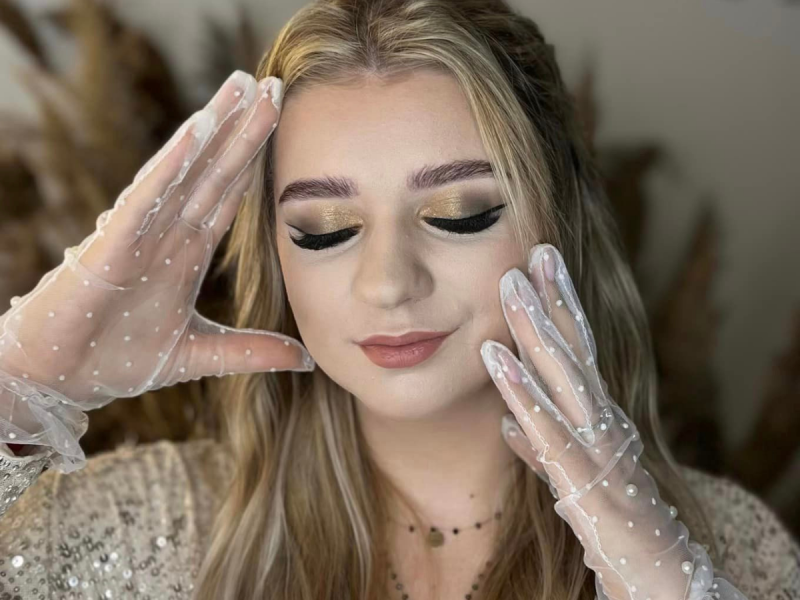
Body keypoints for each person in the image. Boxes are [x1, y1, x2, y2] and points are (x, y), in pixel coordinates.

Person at [0, 0, 798, 598]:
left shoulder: (727, 542)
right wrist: (21, 383)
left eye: (460, 214)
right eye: (324, 229)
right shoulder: (142, 528)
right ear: (278, 257)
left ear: (561, 224)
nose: (388, 282)